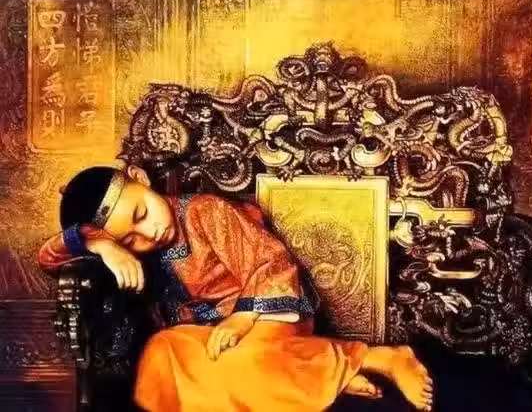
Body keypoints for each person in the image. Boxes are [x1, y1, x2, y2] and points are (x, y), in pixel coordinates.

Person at [38, 165, 433, 412]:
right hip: (206, 332)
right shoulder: (119, 245)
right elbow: (48, 257)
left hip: (265, 315)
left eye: (141, 213)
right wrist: (100, 245)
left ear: (140, 179)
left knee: (249, 357)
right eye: (131, 240)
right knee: (160, 353)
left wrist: (242, 319)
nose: (149, 233)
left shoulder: (205, 212)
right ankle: (324, 377)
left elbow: (269, 261)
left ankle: (377, 358)